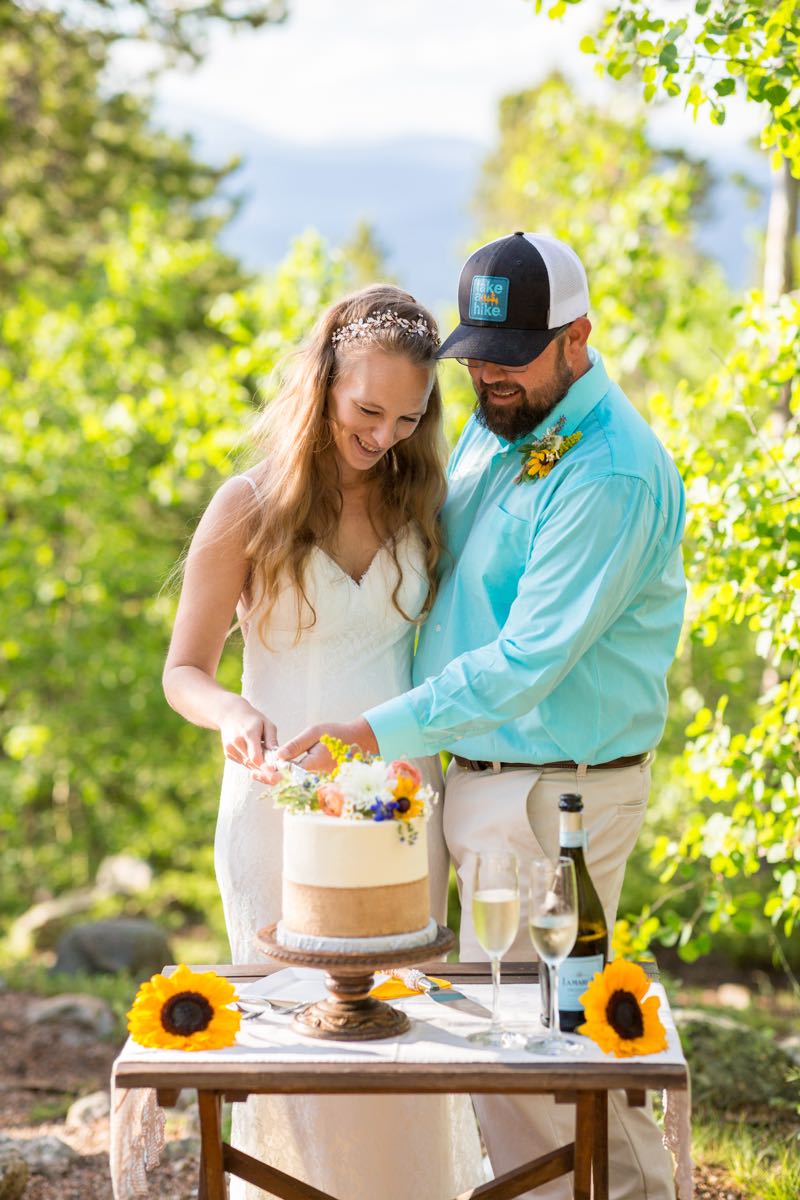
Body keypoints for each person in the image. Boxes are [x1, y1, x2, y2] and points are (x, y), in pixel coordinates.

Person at [280, 232, 686, 1200]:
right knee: (509, 1071)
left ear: (577, 338)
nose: (490, 379)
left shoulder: (610, 475)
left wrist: (373, 730)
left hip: (554, 798)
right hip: (484, 790)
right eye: (477, 358)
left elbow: (524, 664)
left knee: (552, 1069)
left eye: (513, 357)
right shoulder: (498, 425)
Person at [162, 284, 483, 1200]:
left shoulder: (425, 502)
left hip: (397, 819)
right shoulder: (248, 504)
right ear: (325, 380)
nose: (384, 435)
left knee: (401, 1060)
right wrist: (230, 715)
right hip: (279, 819)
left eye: (407, 417)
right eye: (366, 410)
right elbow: (183, 668)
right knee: (299, 1064)